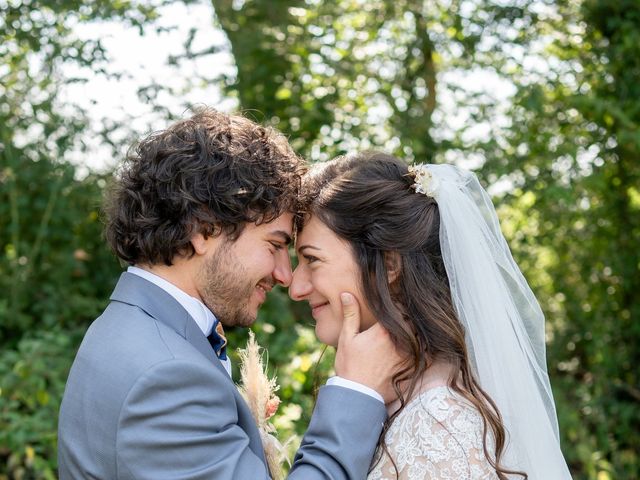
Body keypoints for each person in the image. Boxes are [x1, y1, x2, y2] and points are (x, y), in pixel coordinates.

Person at [57, 109, 401, 480]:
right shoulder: (165, 375)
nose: (285, 276)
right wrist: (357, 390)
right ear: (204, 231)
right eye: (275, 245)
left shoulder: (129, 330)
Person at [289, 151, 573, 480]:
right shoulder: (404, 399)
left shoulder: (436, 426)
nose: (295, 287)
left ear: (389, 265)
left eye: (311, 259)